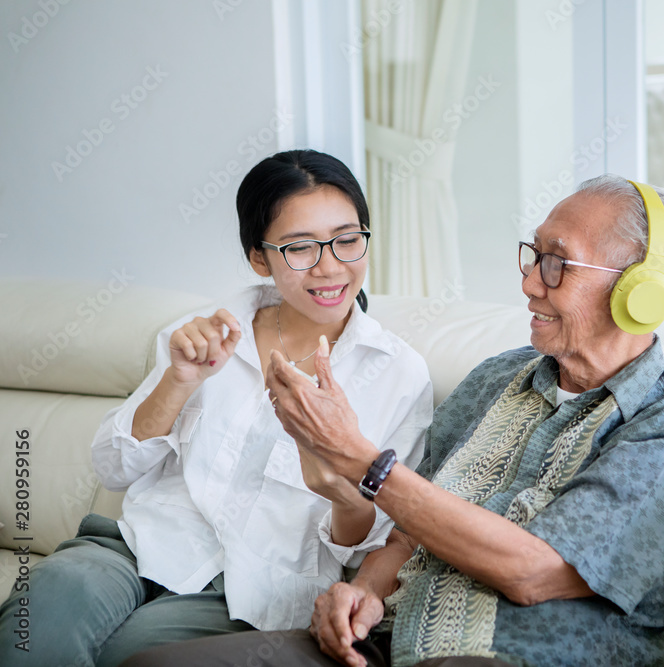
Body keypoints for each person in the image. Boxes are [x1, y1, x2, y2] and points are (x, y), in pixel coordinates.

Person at [123, 174, 664, 667]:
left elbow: (532, 572)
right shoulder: (498, 378)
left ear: (639, 292)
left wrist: (358, 460)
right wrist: (361, 594)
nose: (527, 282)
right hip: (387, 643)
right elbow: (407, 535)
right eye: (533, 254)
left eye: (556, 264)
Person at [0, 150, 433, 667]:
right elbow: (113, 468)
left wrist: (343, 494)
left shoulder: (398, 374)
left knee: (126, 655)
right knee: (38, 618)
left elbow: (370, 547)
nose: (330, 266)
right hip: (133, 547)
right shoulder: (205, 334)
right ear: (259, 258)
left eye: (346, 239)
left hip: (247, 591)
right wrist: (180, 380)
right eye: (299, 248)